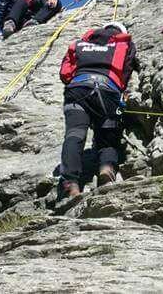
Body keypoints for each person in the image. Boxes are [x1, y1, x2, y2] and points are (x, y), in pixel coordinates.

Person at [57, 22, 139, 197]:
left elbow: (65, 73)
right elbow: (127, 70)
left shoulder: (77, 44)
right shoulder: (124, 44)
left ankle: (70, 182)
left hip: (77, 89)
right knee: (108, 134)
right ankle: (106, 168)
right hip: (107, 92)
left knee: (74, 135)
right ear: (120, 32)